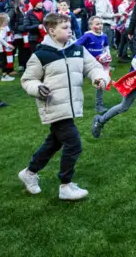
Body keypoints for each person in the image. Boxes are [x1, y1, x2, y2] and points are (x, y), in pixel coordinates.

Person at [19, 13, 108, 200]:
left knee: (54, 142)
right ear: (51, 31)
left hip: (71, 106)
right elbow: (28, 80)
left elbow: (93, 67)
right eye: (65, 28)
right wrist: (37, 88)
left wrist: (100, 78)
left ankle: (29, 173)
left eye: (70, 27)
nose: (70, 30)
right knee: (73, 143)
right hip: (53, 105)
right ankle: (66, 185)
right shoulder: (40, 55)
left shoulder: (77, 49)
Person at [75, 16, 111, 113]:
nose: (100, 26)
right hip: (84, 64)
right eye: (97, 24)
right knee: (77, 83)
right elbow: (76, 45)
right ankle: (75, 103)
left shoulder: (104, 36)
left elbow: (106, 46)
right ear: (91, 26)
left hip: (97, 65)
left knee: (100, 82)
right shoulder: (87, 36)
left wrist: (107, 55)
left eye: (101, 23)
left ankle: (99, 105)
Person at [0, 13, 16, 81]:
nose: (8, 20)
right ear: (3, 21)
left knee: (1, 61)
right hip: (1, 48)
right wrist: (8, 45)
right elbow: (1, 38)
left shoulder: (5, 27)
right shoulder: (3, 28)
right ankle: (4, 76)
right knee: (3, 62)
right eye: (7, 19)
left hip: (2, 47)